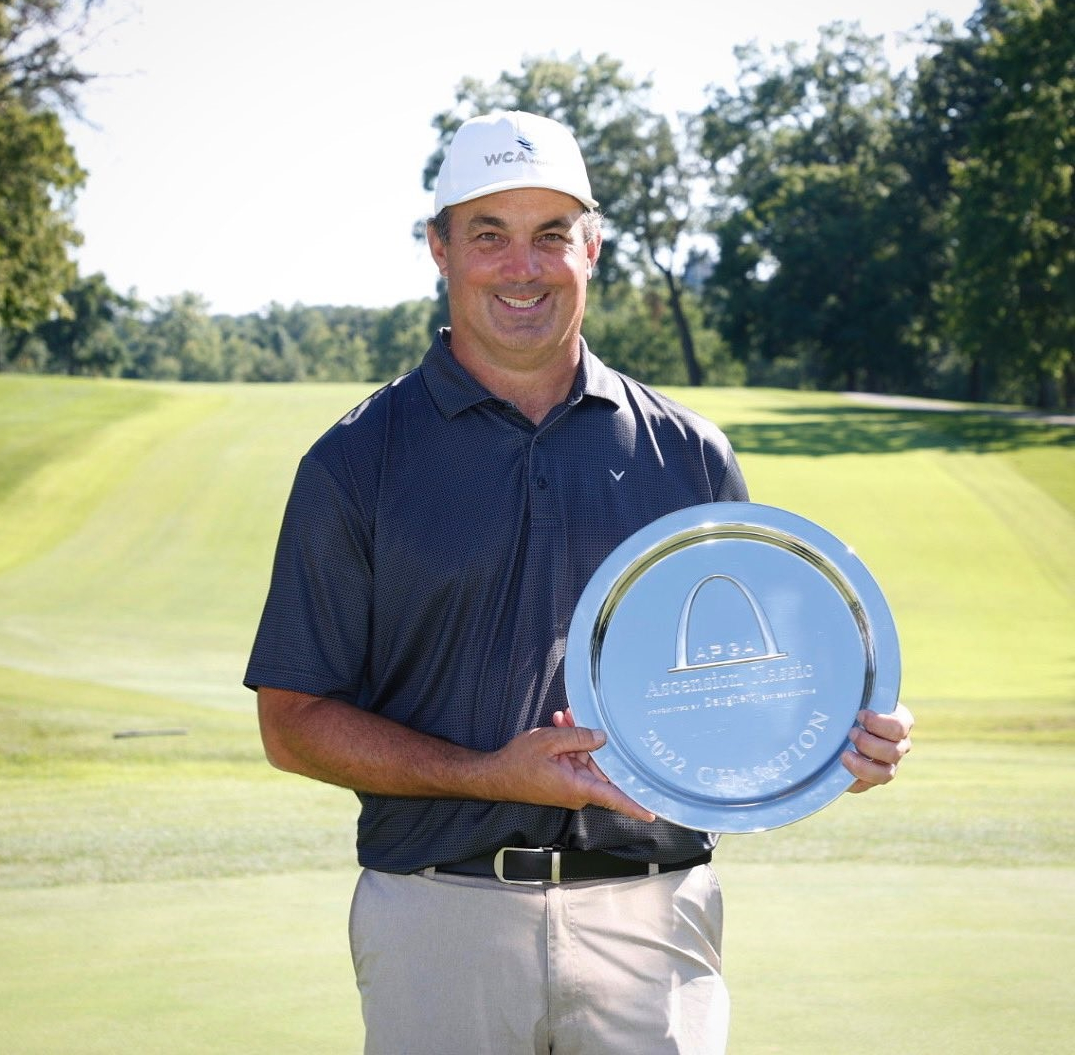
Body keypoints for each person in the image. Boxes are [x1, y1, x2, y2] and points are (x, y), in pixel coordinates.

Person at [245, 109, 914, 1054]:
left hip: (653, 916)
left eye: (552, 235)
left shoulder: (688, 455)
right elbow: (292, 722)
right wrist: (483, 774)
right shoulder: (356, 464)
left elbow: (756, 687)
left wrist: (845, 736)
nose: (523, 266)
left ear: (590, 248)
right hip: (439, 915)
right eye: (490, 235)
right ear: (439, 249)